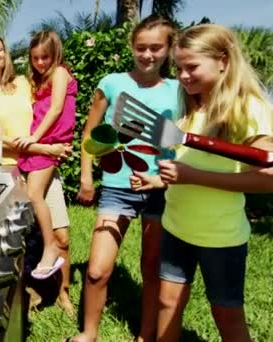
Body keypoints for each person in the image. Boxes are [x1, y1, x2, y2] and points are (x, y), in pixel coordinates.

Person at [130, 24, 273, 342]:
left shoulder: (249, 109)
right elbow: (188, 169)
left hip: (220, 237)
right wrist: (158, 179)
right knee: (167, 304)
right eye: (179, 68)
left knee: (227, 317)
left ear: (223, 60)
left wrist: (193, 177)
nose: (182, 76)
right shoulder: (191, 111)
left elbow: (267, 180)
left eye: (191, 67)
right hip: (176, 228)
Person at [73, 15, 179, 342]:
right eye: (141, 47)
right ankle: (89, 333)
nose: (147, 55)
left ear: (170, 49)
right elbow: (91, 132)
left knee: (152, 270)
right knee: (96, 271)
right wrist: (87, 178)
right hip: (117, 190)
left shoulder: (179, 90)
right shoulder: (111, 83)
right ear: (132, 46)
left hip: (162, 190)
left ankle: (145, 335)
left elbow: (183, 137)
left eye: (156, 48)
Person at [0, 33, 75, 313]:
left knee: (62, 236)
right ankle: (24, 294)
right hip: (14, 170)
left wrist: (53, 146)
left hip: (45, 163)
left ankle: (63, 294)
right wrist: (48, 149)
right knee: (20, 239)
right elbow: (1, 138)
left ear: (6, 53)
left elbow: (54, 108)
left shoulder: (23, 83)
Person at [14, 30, 76, 281]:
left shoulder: (60, 72)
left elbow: (56, 109)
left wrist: (34, 138)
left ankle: (50, 246)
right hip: (44, 140)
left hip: (51, 140)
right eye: (35, 58)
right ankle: (48, 246)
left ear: (55, 54)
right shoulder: (38, 80)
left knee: (33, 194)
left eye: (45, 57)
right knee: (33, 196)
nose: (40, 63)